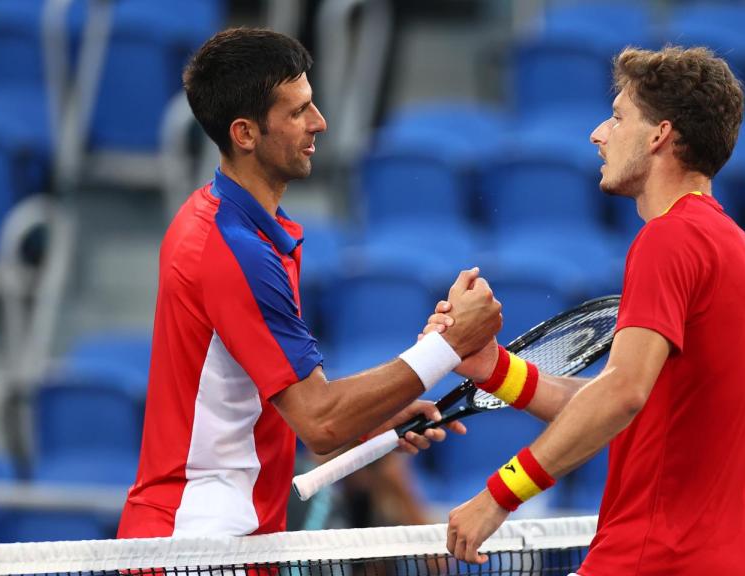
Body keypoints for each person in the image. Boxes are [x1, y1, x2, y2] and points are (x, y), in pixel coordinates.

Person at [117, 27, 502, 539]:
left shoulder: (231, 230)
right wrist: (449, 346)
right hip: (196, 548)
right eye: (297, 112)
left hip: (220, 540)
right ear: (245, 133)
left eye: (312, 105)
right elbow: (320, 421)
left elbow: (275, 410)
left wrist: (374, 419)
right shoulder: (235, 251)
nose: (319, 123)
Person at [430, 46, 745, 574]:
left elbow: (621, 393)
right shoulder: (742, 251)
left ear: (659, 134)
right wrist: (493, 370)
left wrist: (500, 494)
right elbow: (626, 402)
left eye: (618, 117)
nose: (598, 134)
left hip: (654, 559)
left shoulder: (669, 239)